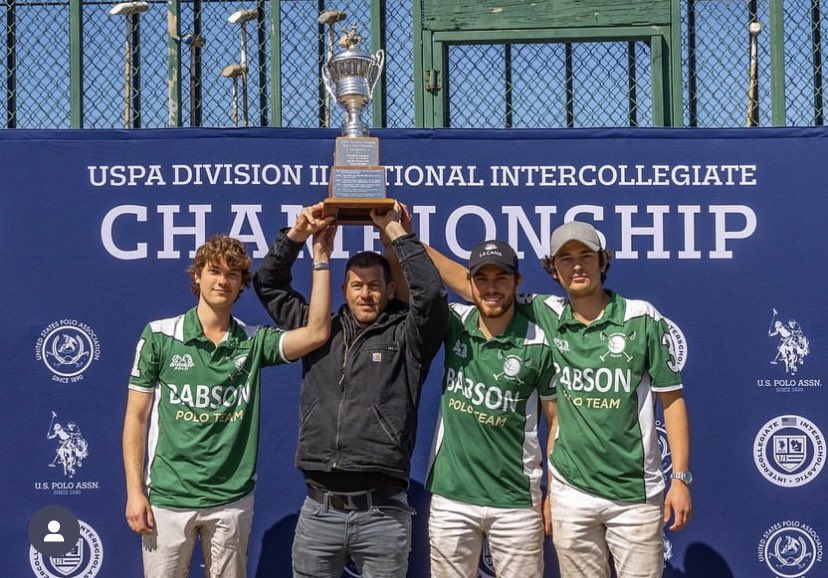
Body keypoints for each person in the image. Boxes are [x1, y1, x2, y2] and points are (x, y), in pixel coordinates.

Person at [425, 220, 692, 578]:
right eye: (566, 259)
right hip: (571, 492)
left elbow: (672, 400)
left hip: (635, 494)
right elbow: (471, 284)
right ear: (553, 268)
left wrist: (680, 478)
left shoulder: (641, 318)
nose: (577, 266)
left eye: (586, 256)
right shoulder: (546, 313)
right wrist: (403, 235)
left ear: (603, 261)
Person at [123, 230, 335, 578]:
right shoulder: (160, 336)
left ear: (241, 285)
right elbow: (136, 418)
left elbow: (317, 333)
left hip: (231, 501)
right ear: (197, 276)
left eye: (232, 274)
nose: (222, 281)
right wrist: (134, 492)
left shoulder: (253, 342)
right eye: (214, 271)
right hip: (168, 498)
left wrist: (322, 258)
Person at [253, 200, 448, 578]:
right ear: (344, 289)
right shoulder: (318, 331)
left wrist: (396, 232)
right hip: (319, 511)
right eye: (357, 285)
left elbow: (431, 296)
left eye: (375, 286)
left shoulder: (407, 337)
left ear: (389, 289)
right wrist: (297, 235)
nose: (366, 294)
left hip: (383, 515)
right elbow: (268, 284)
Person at [425, 240, 556, 578]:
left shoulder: (539, 342)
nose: (491, 288)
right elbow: (424, 275)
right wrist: (399, 232)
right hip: (452, 498)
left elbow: (557, 421)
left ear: (518, 282)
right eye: (482, 279)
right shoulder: (455, 321)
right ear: (470, 283)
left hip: (515, 501)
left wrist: (555, 491)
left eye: (501, 278)